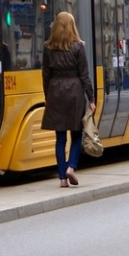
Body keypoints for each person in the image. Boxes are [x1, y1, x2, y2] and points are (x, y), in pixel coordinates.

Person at [41, 11, 96, 188]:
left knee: (60, 138)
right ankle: (71, 167)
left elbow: (46, 74)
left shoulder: (48, 48)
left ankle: (62, 178)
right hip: (75, 93)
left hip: (55, 92)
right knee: (77, 134)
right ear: (72, 27)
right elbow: (84, 75)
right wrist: (91, 98)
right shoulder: (78, 47)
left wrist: (48, 95)